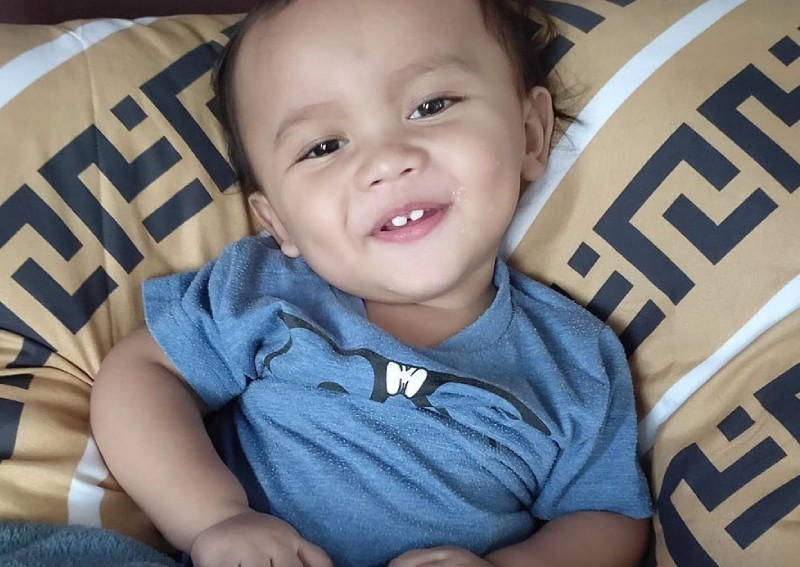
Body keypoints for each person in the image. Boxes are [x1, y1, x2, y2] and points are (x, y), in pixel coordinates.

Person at [90, 1, 652, 566]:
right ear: (279, 222)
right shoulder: (265, 291)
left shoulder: (573, 359)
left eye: (430, 106)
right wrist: (214, 519)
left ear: (529, 134)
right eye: (323, 147)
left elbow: (606, 516)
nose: (387, 161)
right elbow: (143, 375)